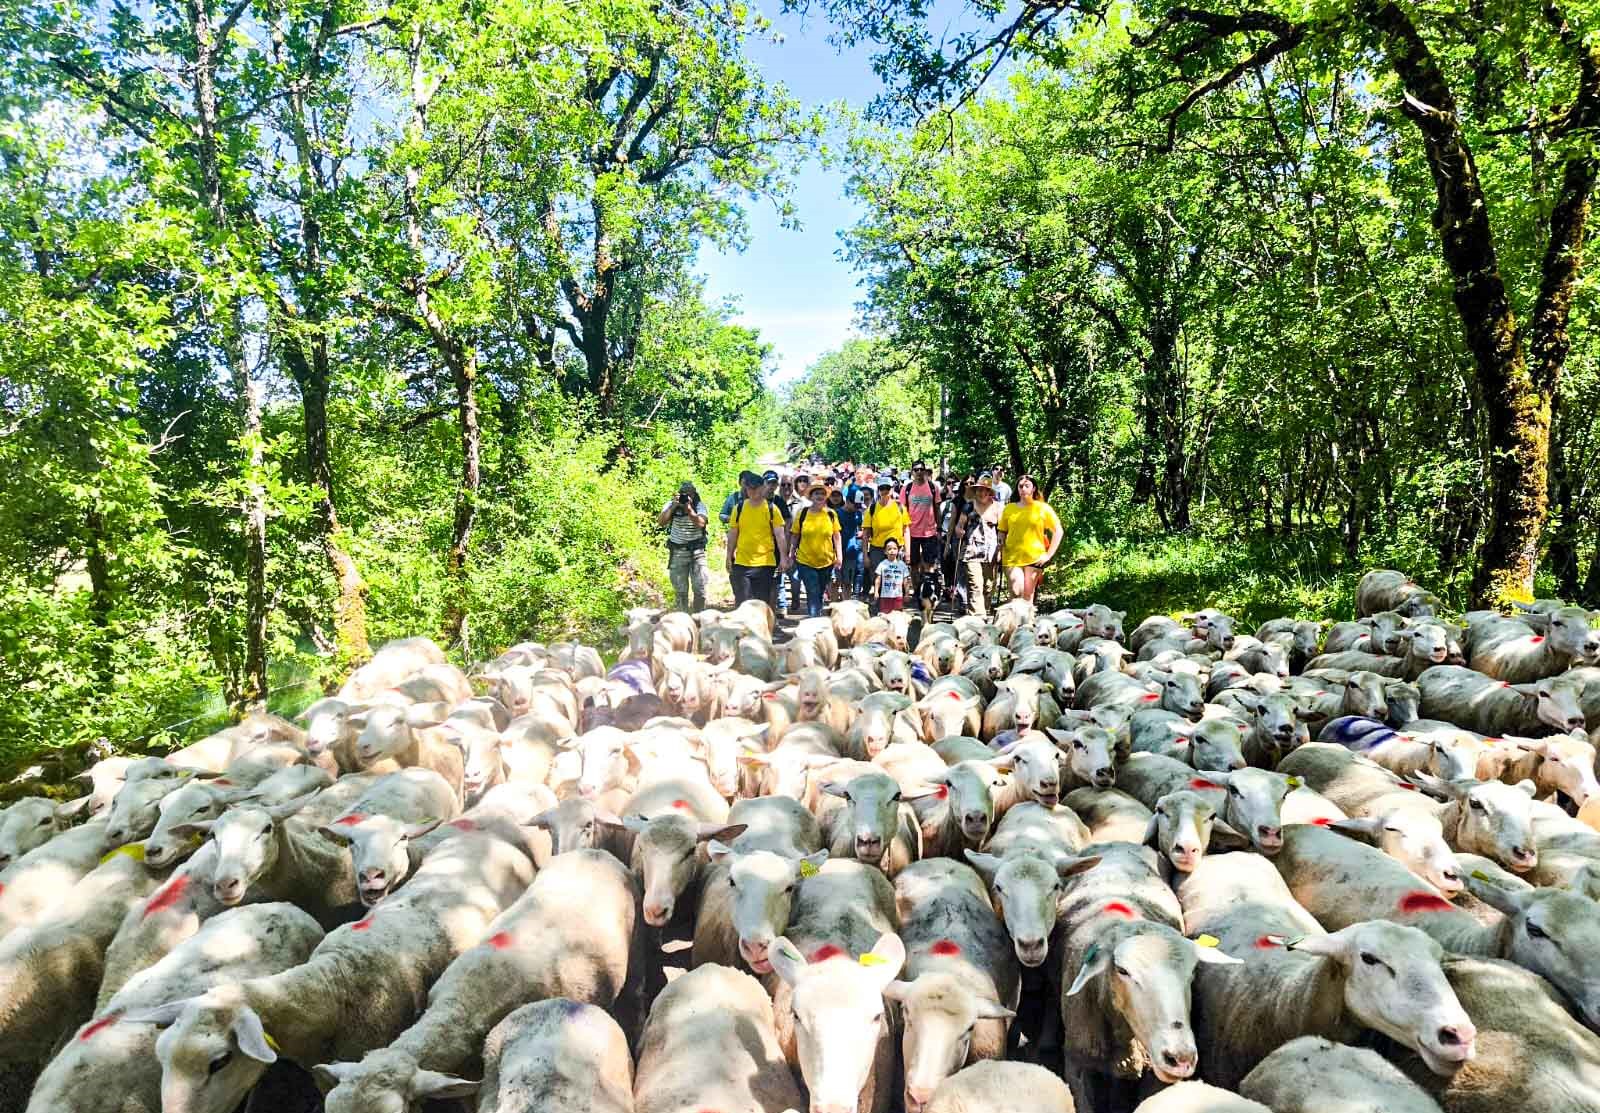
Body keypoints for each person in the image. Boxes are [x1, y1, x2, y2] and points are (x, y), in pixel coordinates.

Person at [726, 470, 790, 606]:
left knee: (761, 603)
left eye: (756, 488)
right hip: (742, 561)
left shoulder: (772, 509)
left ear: (762, 488)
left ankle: (764, 626)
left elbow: (780, 535)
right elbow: (733, 533)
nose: (753, 492)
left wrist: (784, 558)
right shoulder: (739, 508)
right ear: (746, 489)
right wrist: (729, 555)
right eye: (750, 489)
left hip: (765, 563)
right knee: (742, 602)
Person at [997, 474, 1062, 606]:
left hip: (1035, 557)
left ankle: (1027, 625)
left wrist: (1048, 555)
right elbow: (1002, 530)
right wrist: (1000, 540)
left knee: (1027, 596)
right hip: (1012, 557)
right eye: (1020, 486)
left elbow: (1058, 531)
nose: (1023, 489)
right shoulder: (1009, 508)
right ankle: (1013, 625)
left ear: (1033, 489)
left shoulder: (1042, 508)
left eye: (1027, 486)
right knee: (1016, 592)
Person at [787, 482, 843, 617]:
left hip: (826, 561)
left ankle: (816, 614)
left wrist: (839, 556)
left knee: (820, 591)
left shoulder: (831, 514)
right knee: (812, 590)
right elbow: (795, 535)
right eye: (817, 493)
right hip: (805, 560)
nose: (820, 496)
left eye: (823, 494)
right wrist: (791, 554)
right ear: (811, 496)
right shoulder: (803, 513)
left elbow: (836, 536)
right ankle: (814, 618)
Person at [953, 478, 1002, 616]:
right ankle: (978, 618)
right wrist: (959, 531)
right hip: (971, 551)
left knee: (988, 586)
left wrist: (1001, 551)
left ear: (990, 492)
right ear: (975, 491)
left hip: (991, 553)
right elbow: (959, 526)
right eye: (979, 490)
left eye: (985, 490)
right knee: (976, 585)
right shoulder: (968, 506)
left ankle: (982, 611)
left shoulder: (998, 508)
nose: (982, 493)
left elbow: (1003, 531)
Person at [657, 481, 709, 612]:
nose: (686, 497)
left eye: (689, 494)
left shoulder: (699, 506)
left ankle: (698, 618)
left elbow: (701, 523)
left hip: (697, 552)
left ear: (694, 494)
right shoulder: (671, 505)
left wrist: (690, 509)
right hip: (678, 551)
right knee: (680, 591)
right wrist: (673, 506)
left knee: (700, 588)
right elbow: (661, 522)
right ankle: (682, 619)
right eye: (683, 494)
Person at [864, 479, 910, 612]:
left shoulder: (900, 508)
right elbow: (866, 533)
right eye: (882, 488)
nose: (884, 491)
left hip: (897, 549)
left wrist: (908, 552)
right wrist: (866, 555)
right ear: (878, 489)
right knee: (880, 578)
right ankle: (881, 608)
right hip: (877, 549)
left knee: (898, 579)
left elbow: (906, 530)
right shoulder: (872, 509)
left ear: (891, 489)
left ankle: (897, 608)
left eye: (887, 488)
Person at [900, 460, 942, 599]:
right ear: (912, 472)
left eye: (921, 469)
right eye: (916, 470)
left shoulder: (932, 487)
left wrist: (939, 528)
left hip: (929, 531)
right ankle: (917, 590)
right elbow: (903, 509)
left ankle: (929, 589)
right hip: (911, 532)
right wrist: (903, 530)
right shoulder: (907, 488)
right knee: (913, 564)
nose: (919, 472)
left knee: (929, 564)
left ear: (925, 471)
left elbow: (937, 508)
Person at [833, 488, 864, 601]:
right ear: (848, 501)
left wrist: (860, 533)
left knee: (847, 582)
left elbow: (861, 529)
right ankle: (834, 605)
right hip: (836, 552)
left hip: (851, 553)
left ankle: (846, 605)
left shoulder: (858, 514)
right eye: (855, 505)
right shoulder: (837, 514)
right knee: (835, 581)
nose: (857, 508)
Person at [874, 538, 911, 613]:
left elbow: (906, 580)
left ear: (898, 550)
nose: (892, 551)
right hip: (885, 596)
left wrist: (907, 593)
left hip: (898, 596)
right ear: (885, 551)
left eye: (894, 548)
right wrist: (876, 592)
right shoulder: (882, 564)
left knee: (897, 616)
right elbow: (878, 579)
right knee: (884, 616)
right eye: (889, 549)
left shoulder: (902, 565)